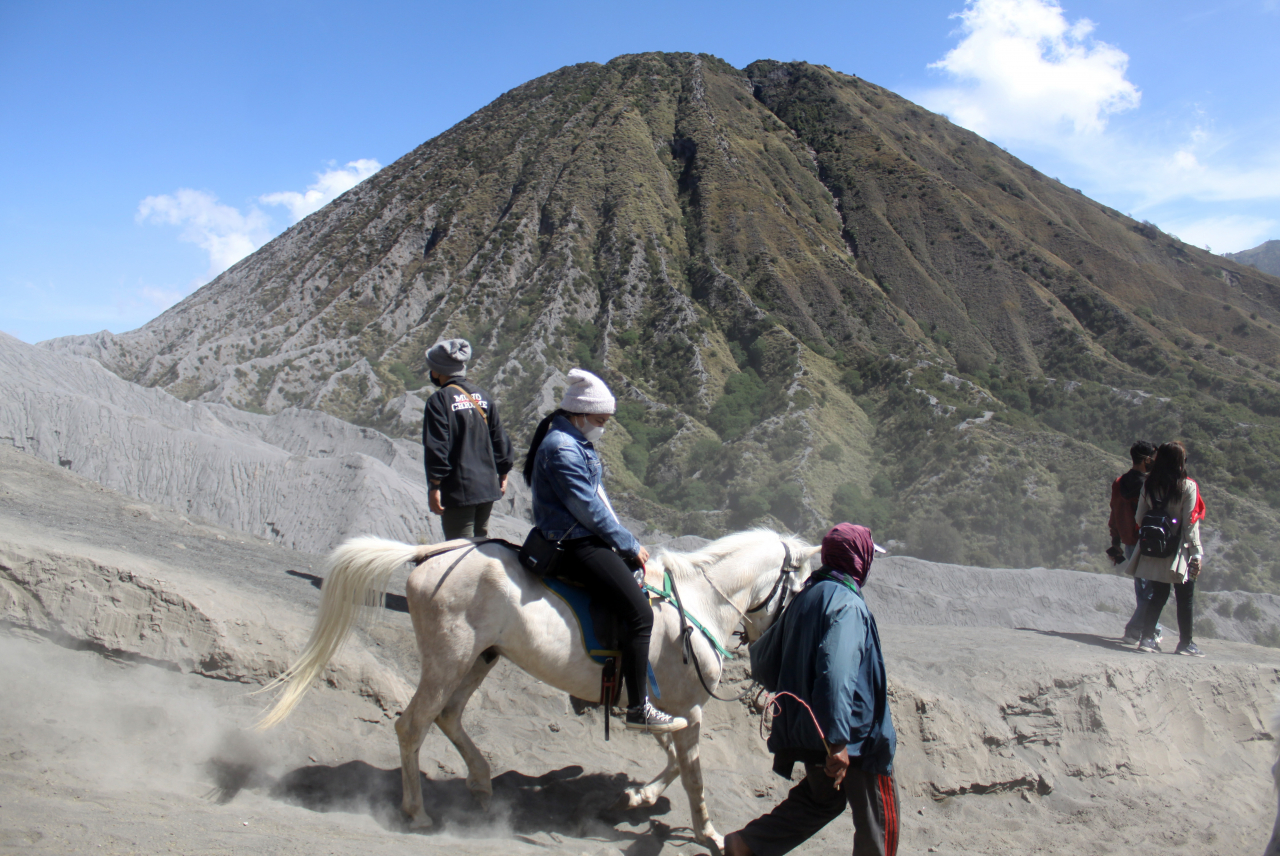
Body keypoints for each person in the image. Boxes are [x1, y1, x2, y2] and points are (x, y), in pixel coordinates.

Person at [522, 368, 686, 734]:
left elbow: (596, 501)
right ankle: (639, 707)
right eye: (599, 420)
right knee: (641, 614)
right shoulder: (562, 448)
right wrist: (628, 543)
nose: (603, 427)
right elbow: (588, 509)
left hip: (581, 534)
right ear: (579, 414)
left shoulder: (571, 441)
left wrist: (625, 541)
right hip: (574, 542)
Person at [726, 523, 899, 856]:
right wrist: (837, 743)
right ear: (858, 559)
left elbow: (764, 660)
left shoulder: (806, 596)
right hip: (855, 738)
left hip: (811, 731)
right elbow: (837, 673)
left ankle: (747, 844)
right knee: (879, 822)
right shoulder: (847, 605)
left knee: (821, 800)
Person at [422, 339, 514, 540]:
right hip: (487, 488)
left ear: (437, 371)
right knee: (481, 547)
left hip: (459, 491)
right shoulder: (483, 396)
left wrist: (435, 486)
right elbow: (499, 438)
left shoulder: (439, 400)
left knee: (460, 552)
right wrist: (503, 473)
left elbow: (437, 447)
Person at [1125, 441, 1205, 657]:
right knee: (1185, 597)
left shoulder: (1149, 484)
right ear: (1180, 462)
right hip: (1180, 549)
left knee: (1158, 595)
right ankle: (1185, 643)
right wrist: (1196, 552)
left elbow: (1140, 517)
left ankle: (1147, 638)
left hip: (1155, 548)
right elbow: (1190, 523)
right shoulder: (1188, 486)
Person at [1107, 440, 1162, 644]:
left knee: (1142, 588)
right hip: (1146, 543)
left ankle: (1150, 628)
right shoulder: (1149, 485)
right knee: (1151, 590)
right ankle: (1136, 630)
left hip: (1129, 544)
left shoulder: (1119, 482)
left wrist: (1115, 542)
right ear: (1147, 459)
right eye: (1153, 459)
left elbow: (1114, 513)